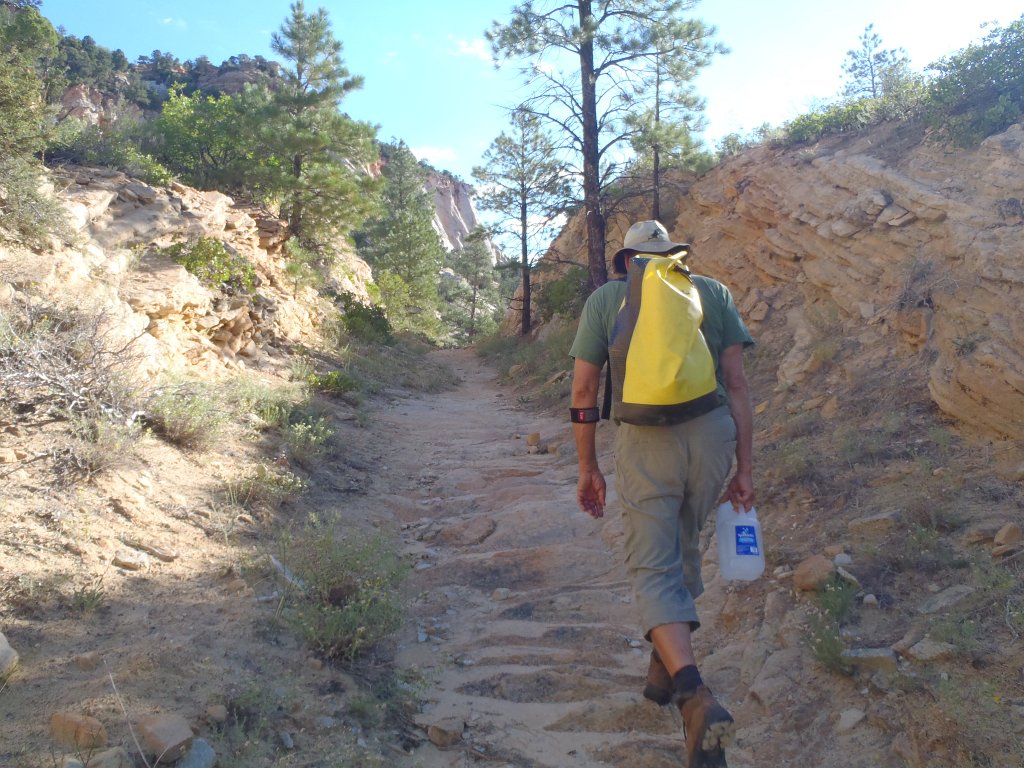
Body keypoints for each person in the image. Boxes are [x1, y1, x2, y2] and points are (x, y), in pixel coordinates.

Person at [568, 220, 755, 768]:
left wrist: (588, 466)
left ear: (627, 261)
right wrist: (745, 466)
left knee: (653, 564)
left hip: (646, 441)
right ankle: (663, 668)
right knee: (683, 543)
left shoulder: (607, 300)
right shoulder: (712, 291)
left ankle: (695, 697)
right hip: (713, 433)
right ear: (675, 256)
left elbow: (583, 390)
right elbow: (739, 385)